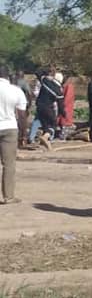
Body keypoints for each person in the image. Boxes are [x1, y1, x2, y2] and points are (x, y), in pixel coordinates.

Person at [0, 66, 28, 204]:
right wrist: (24, 134)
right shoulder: (15, 91)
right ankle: (8, 196)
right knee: (8, 164)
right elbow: (22, 116)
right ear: (9, 76)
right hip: (10, 128)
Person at [35, 70, 64, 150]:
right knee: (53, 124)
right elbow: (61, 105)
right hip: (48, 108)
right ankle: (45, 137)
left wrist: (47, 75)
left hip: (39, 107)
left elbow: (38, 73)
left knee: (45, 125)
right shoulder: (58, 91)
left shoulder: (45, 81)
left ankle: (45, 144)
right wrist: (63, 113)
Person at [56, 73, 75, 139]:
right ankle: (63, 134)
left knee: (65, 120)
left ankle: (64, 134)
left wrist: (62, 104)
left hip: (66, 106)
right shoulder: (65, 86)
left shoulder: (69, 86)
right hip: (64, 106)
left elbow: (68, 98)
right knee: (63, 120)